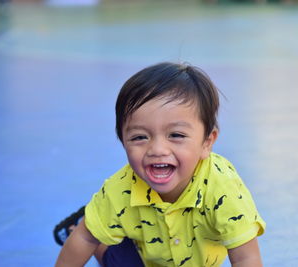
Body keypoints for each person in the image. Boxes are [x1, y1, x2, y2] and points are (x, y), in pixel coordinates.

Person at [55, 62, 266, 267]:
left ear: (206, 143)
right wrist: (87, 235)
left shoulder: (223, 190)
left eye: (175, 135)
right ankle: (93, 225)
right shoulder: (120, 191)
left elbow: (245, 258)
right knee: (103, 247)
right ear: (123, 141)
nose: (157, 149)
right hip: (141, 252)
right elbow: (85, 239)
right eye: (139, 137)